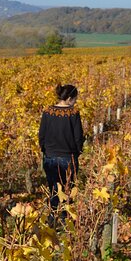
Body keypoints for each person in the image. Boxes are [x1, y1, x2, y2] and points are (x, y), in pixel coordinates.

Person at [38, 84, 84, 212]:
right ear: (69, 98)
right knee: (68, 190)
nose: (75, 102)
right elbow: (78, 137)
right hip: (68, 158)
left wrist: (45, 151)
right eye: (75, 99)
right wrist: (78, 152)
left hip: (50, 157)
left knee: (53, 189)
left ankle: (52, 217)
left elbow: (41, 135)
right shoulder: (73, 113)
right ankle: (65, 219)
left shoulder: (48, 112)